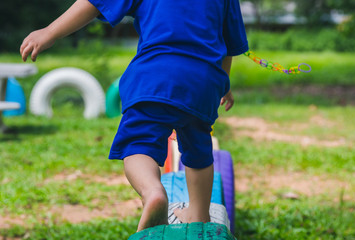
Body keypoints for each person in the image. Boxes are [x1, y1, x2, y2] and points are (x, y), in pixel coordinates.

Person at [20, 0, 248, 232]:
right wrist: (223, 82)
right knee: (199, 150)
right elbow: (228, 43)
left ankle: (153, 192)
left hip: (154, 76)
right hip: (205, 81)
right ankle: (199, 216)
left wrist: (49, 32)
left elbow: (93, 3)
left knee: (138, 145)